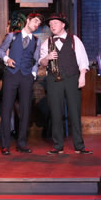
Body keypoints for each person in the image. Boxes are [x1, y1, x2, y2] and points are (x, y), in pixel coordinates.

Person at [39, 13, 92, 154]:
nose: (52, 26)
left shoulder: (74, 40)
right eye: (50, 24)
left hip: (72, 78)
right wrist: (47, 58)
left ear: (63, 25)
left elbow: (82, 60)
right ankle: (58, 146)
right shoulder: (46, 43)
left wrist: (82, 76)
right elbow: (41, 62)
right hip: (53, 80)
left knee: (75, 112)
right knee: (56, 113)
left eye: (55, 23)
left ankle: (79, 146)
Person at [0, 13, 44, 155]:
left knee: (25, 110)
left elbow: (36, 60)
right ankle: (5, 145)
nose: (36, 25)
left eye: (38, 24)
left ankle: (21, 143)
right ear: (28, 20)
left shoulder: (36, 41)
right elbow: (0, 51)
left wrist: (33, 74)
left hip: (26, 77)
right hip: (11, 75)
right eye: (35, 21)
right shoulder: (12, 36)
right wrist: (6, 59)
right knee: (6, 109)